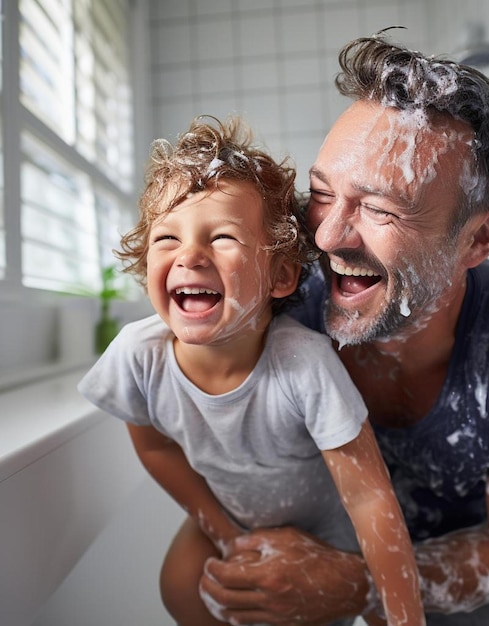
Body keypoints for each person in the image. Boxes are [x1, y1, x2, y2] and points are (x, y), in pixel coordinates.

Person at [197, 32, 489, 626]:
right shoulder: (279, 295)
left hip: (473, 546)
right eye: (322, 194)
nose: (326, 238)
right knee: (190, 579)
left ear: (480, 237)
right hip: (322, 525)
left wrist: (356, 587)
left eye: (379, 209)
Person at [78, 116, 425, 626]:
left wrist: (403, 617)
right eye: (166, 238)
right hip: (232, 514)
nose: (189, 255)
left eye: (221, 238)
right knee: (181, 584)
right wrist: (224, 532)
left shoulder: (303, 364)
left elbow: (370, 498)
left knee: (365, 604)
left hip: (328, 532)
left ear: (281, 275)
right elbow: (154, 445)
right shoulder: (138, 356)